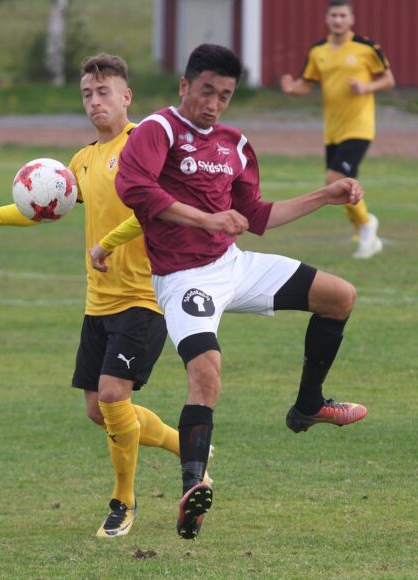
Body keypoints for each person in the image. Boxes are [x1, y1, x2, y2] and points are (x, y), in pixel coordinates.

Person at [98, 43, 368, 540]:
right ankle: (192, 489)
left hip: (234, 265)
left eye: (224, 95)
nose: (214, 104)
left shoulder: (235, 144)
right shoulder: (159, 130)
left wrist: (326, 196)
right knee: (206, 372)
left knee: (340, 296)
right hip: (183, 278)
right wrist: (206, 219)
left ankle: (308, 405)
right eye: (206, 91)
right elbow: (135, 189)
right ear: (184, 86)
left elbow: (256, 215)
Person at [0, 53, 210, 539]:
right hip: (99, 302)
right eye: (87, 94)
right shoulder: (83, 159)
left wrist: (107, 243)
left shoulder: (144, 145)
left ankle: (123, 502)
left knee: (112, 396)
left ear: (126, 96)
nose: (94, 101)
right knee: (98, 409)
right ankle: (189, 449)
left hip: (145, 295)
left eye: (104, 92)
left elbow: (157, 210)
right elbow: (43, 207)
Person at [280, 0, 395, 259]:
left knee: (334, 180)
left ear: (351, 19)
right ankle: (364, 229)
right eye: (334, 15)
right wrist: (291, 89)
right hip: (332, 130)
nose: (338, 20)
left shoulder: (367, 48)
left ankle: (366, 225)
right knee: (339, 185)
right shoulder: (318, 51)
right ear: (327, 18)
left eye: (343, 15)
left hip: (359, 126)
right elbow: (306, 84)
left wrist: (367, 88)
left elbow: (388, 80)